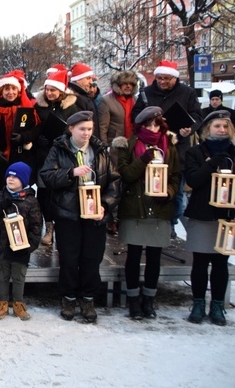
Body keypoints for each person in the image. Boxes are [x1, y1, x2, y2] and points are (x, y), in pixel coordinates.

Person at [39, 110, 119, 323]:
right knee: (69, 258)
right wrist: (70, 174)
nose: (86, 133)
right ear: (71, 129)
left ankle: (88, 298)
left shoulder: (100, 150)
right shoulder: (59, 149)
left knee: (92, 258)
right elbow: (46, 176)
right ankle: (68, 297)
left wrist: (105, 205)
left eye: (89, 129)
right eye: (82, 129)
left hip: (94, 215)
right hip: (68, 213)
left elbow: (114, 181)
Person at [113, 106, 180, 320]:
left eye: (157, 124)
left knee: (154, 256)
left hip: (159, 208)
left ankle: (149, 299)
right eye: (148, 124)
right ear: (140, 126)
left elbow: (176, 176)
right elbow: (125, 175)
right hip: (135, 206)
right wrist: (144, 160)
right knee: (133, 255)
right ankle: (133, 299)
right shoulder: (128, 144)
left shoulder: (169, 145)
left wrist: (168, 192)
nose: (153, 128)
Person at [132, 60, 202, 239]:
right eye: (159, 78)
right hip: (151, 144)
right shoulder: (146, 93)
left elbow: (196, 116)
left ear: (175, 78)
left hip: (178, 147)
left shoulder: (187, 93)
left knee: (175, 189)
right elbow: (136, 114)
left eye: (166, 79)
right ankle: (150, 217)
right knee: (149, 184)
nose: (162, 82)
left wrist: (190, 128)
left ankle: (171, 221)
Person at [182, 110, 233, 326]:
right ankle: (198, 303)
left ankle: (218, 305)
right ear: (207, 129)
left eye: (225, 126)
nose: (221, 130)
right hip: (202, 213)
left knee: (221, 263)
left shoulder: (234, 152)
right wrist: (212, 164)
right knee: (200, 262)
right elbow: (193, 180)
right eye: (217, 126)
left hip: (227, 216)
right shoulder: (196, 152)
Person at [0, 162, 42, 320]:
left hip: (21, 248)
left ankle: (18, 302)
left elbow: (36, 226)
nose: (11, 179)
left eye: (15, 177)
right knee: (1, 275)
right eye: (9, 175)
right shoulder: (0, 196)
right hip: (0, 246)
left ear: (24, 180)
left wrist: (29, 246)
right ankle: (2, 301)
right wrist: (1, 205)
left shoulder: (31, 201)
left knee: (18, 276)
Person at [33, 69, 78, 245]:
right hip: (43, 155)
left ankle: (61, 227)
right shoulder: (39, 106)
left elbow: (75, 130)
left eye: (53, 90)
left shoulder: (71, 108)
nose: (50, 93)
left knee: (60, 192)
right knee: (44, 192)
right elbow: (33, 127)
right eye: (47, 89)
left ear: (62, 91)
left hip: (63, 156)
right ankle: (49, 226)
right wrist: (38, 139)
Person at [0, 70, 40, 196]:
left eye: (13, 88)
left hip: (21, 159)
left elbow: (36, 129)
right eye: (7, 89)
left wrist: (24, 137)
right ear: (1, 91)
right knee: (2, 194)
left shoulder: (26, 106)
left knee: (21, 193)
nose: (10, 92)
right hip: (0, 160)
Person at [98, 70, 139, 236]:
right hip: (114, 148)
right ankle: (111, 219)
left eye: (131, 84)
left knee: (128, 182)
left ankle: (124, 217)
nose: (128, 86)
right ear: (118, 85)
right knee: (114, 183)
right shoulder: (106, 101)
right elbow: (102, 127)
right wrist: (103, 147)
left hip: (132, 147)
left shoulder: (136, 100)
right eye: (125, 83)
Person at [67, 63, 99, 133]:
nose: (91, 82)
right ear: (78, 79)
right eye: (88, 78)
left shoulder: (82, 95)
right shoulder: (78, 98)